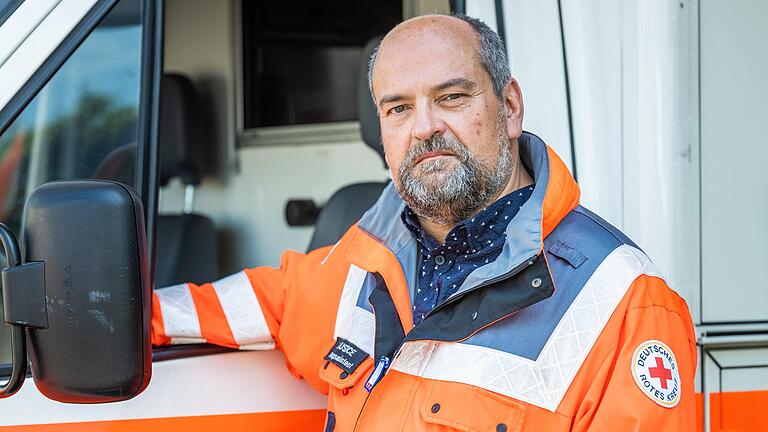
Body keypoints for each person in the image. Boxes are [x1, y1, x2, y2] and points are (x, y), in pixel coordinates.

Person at [152, 13, 697, 431]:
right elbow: (268, 302)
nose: (425, 128)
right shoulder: (364, 257)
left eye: (452, 97)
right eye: (398, 109)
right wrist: (118, 312)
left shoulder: (623, 303)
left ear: (509, 107)